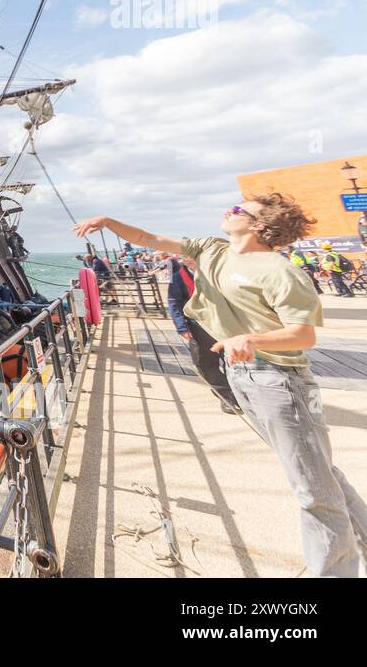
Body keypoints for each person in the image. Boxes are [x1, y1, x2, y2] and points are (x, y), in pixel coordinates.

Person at [74, 194, 367, 578]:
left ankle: (333, 573)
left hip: (280, 382)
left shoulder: (279, 271)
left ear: (262, 227)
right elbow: (149, 238)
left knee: (313, 490)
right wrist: (109, 221)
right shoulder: (212, 249)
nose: (231, 211)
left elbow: (304, 335)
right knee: (319, 474)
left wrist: (252, 340)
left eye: (241, 210)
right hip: (243, 377)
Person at [167, 254, 242, 414]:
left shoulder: (218, 273)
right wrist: (182, 326)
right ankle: (225, 396)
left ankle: (241, 394)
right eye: (185, 257)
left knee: (233, 360)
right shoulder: (177, 278)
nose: (188, 259)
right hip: (198, 327)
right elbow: (174, 302)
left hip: (226, 324)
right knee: (205, 363)